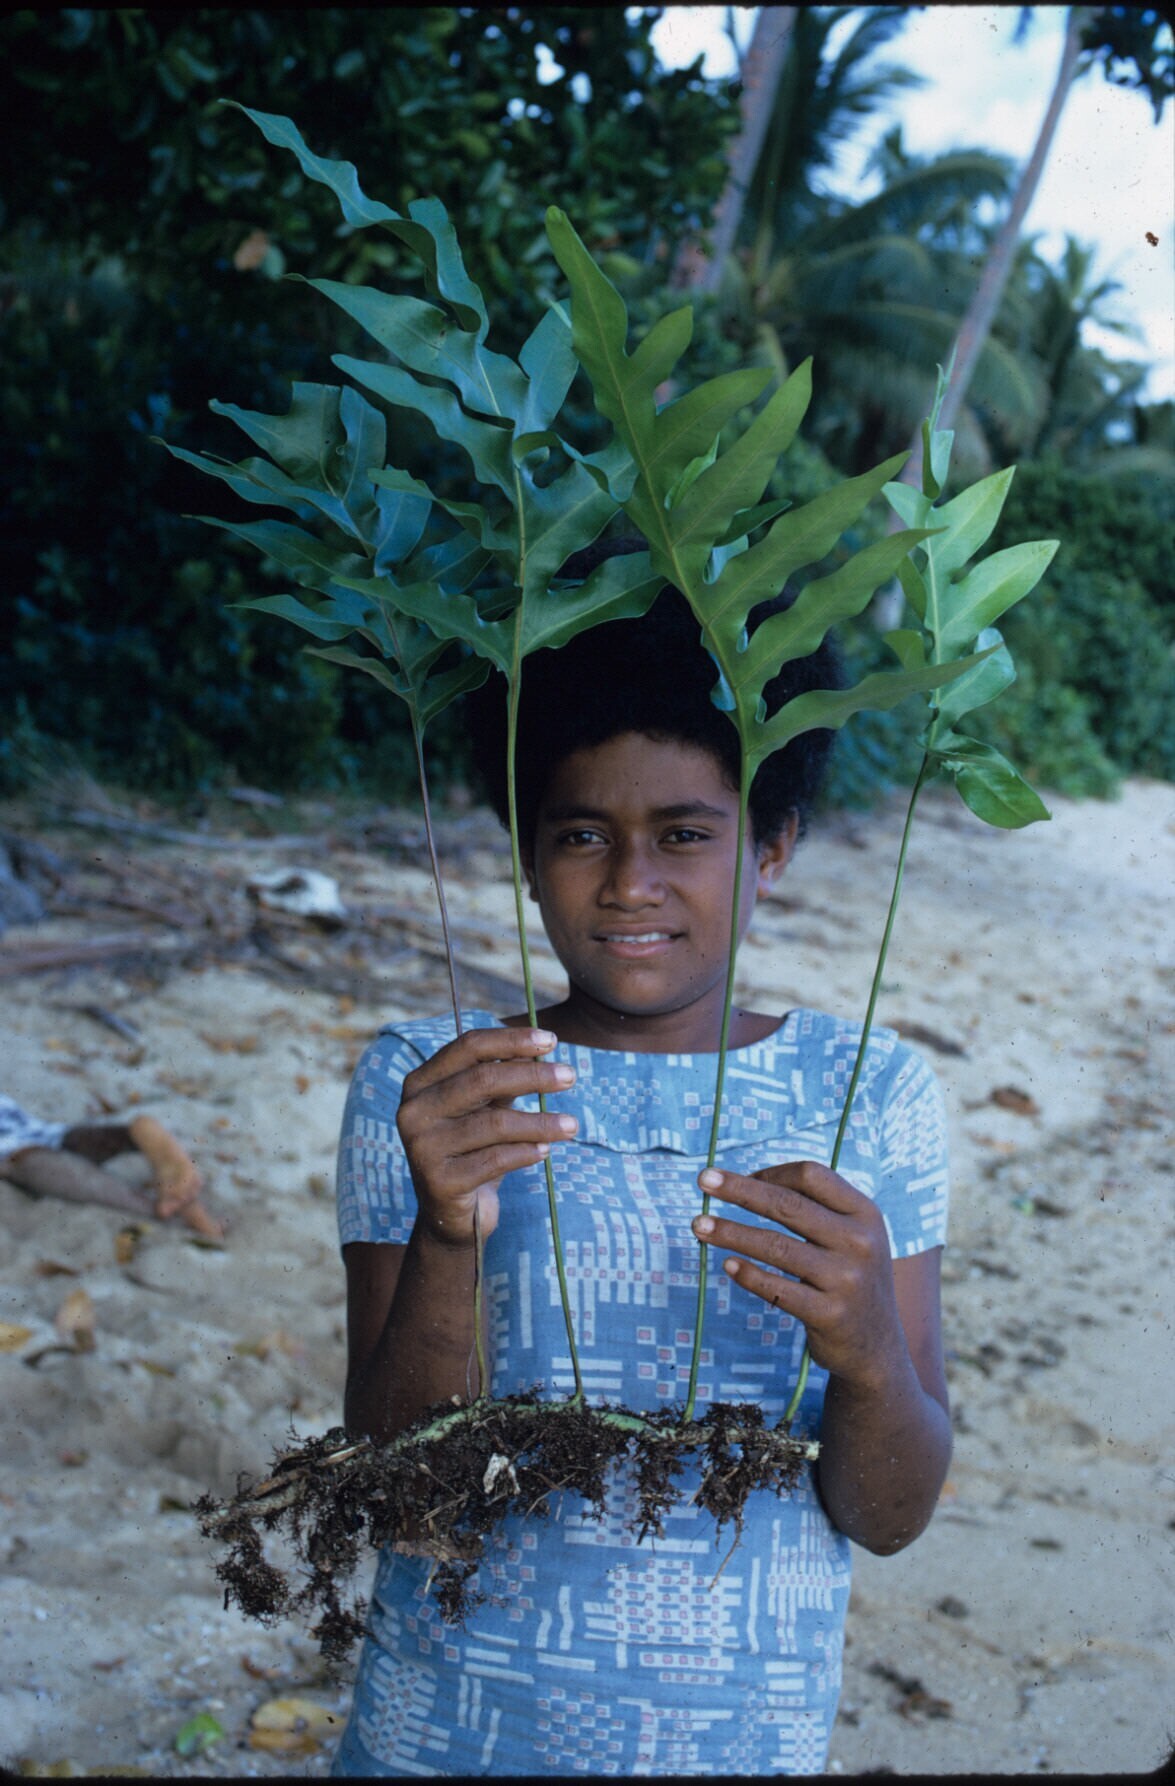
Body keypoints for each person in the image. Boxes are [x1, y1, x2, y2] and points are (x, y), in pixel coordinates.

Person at [330, 543, 951, 1777]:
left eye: (682, 833)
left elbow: (888, 1515)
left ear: (771, 845)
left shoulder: (869, 1091)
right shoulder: (439, 1082)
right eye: (580, 834)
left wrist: (870, 1352)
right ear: (524, 849)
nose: (629, 884)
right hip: (446, 1738)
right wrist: (447, 1234)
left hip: (740, 1744)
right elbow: (396, 1495)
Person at [0, 1098, 223, 1238]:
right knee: (70, 1139)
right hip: (34, 1127)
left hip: (14, 1148)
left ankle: (161, 1209)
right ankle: (139, 1137)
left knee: (39, 1164)